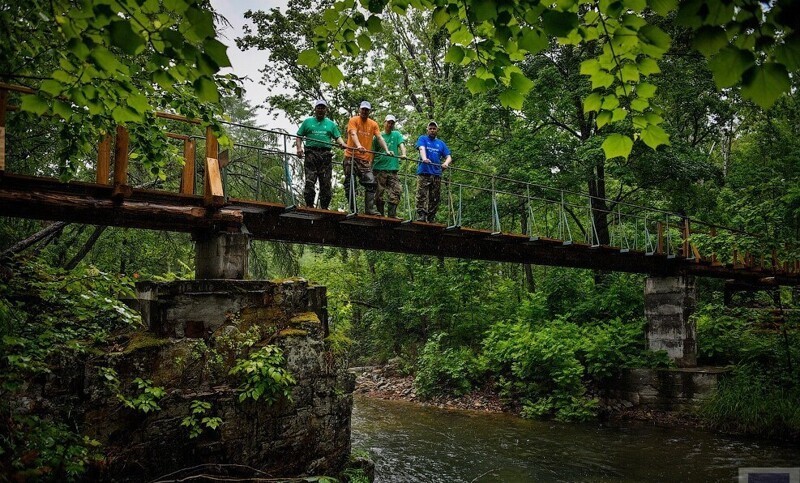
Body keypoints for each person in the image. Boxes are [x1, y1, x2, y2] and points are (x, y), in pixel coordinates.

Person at [296, 99, 346, 210]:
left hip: (325, 155)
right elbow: (299, 136)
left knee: (325, 182)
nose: (320, 110)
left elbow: (337, 137)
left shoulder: (330, 124)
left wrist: (342, 144)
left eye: (323, 108)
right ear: (315, 109)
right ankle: (309, 204)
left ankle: (324, 207)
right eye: (318, 107)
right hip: (311, 153)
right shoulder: (307, 122)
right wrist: (299, 148)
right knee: (310, 179)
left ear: (326, 110)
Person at [344, 101, 391, 215]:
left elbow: (379, 138)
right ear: (359, 109)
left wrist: (386, 150)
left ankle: (369, 209)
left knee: (371, 182)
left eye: (367, 110)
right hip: (351, 156)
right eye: (363, 109)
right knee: (350, 183)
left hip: (364, 159)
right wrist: (359, 145)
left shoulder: (373, 124)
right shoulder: (353, 120)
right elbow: (353, 133)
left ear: (369, 111)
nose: (364, 111)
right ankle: (353, 209)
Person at [415, 121, 452, 222]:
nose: (432, 130)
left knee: (435, 196)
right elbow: (421, 148)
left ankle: (431, 216)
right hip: (424, 172)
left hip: (436, 173)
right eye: (430, 128)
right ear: (427, 130)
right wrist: (424, 158)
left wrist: (446, 163)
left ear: (437, 130)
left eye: (434, 128)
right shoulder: (423, 138)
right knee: (421, 194)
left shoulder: (441, 143)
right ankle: (421, 214)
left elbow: (448, 156)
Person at [371, 114, 407, 217]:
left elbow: (401, 145)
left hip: (393, 169)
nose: (390, 124)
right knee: (379, 193)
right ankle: (380, 215)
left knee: (396, 191)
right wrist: (370, 165)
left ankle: (392, 214)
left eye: (392, 123)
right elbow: (373, 152)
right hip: (379, 168)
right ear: (384, 122)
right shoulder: (378, 136)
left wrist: (403, 154)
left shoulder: (396, 134)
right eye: (389, 122)